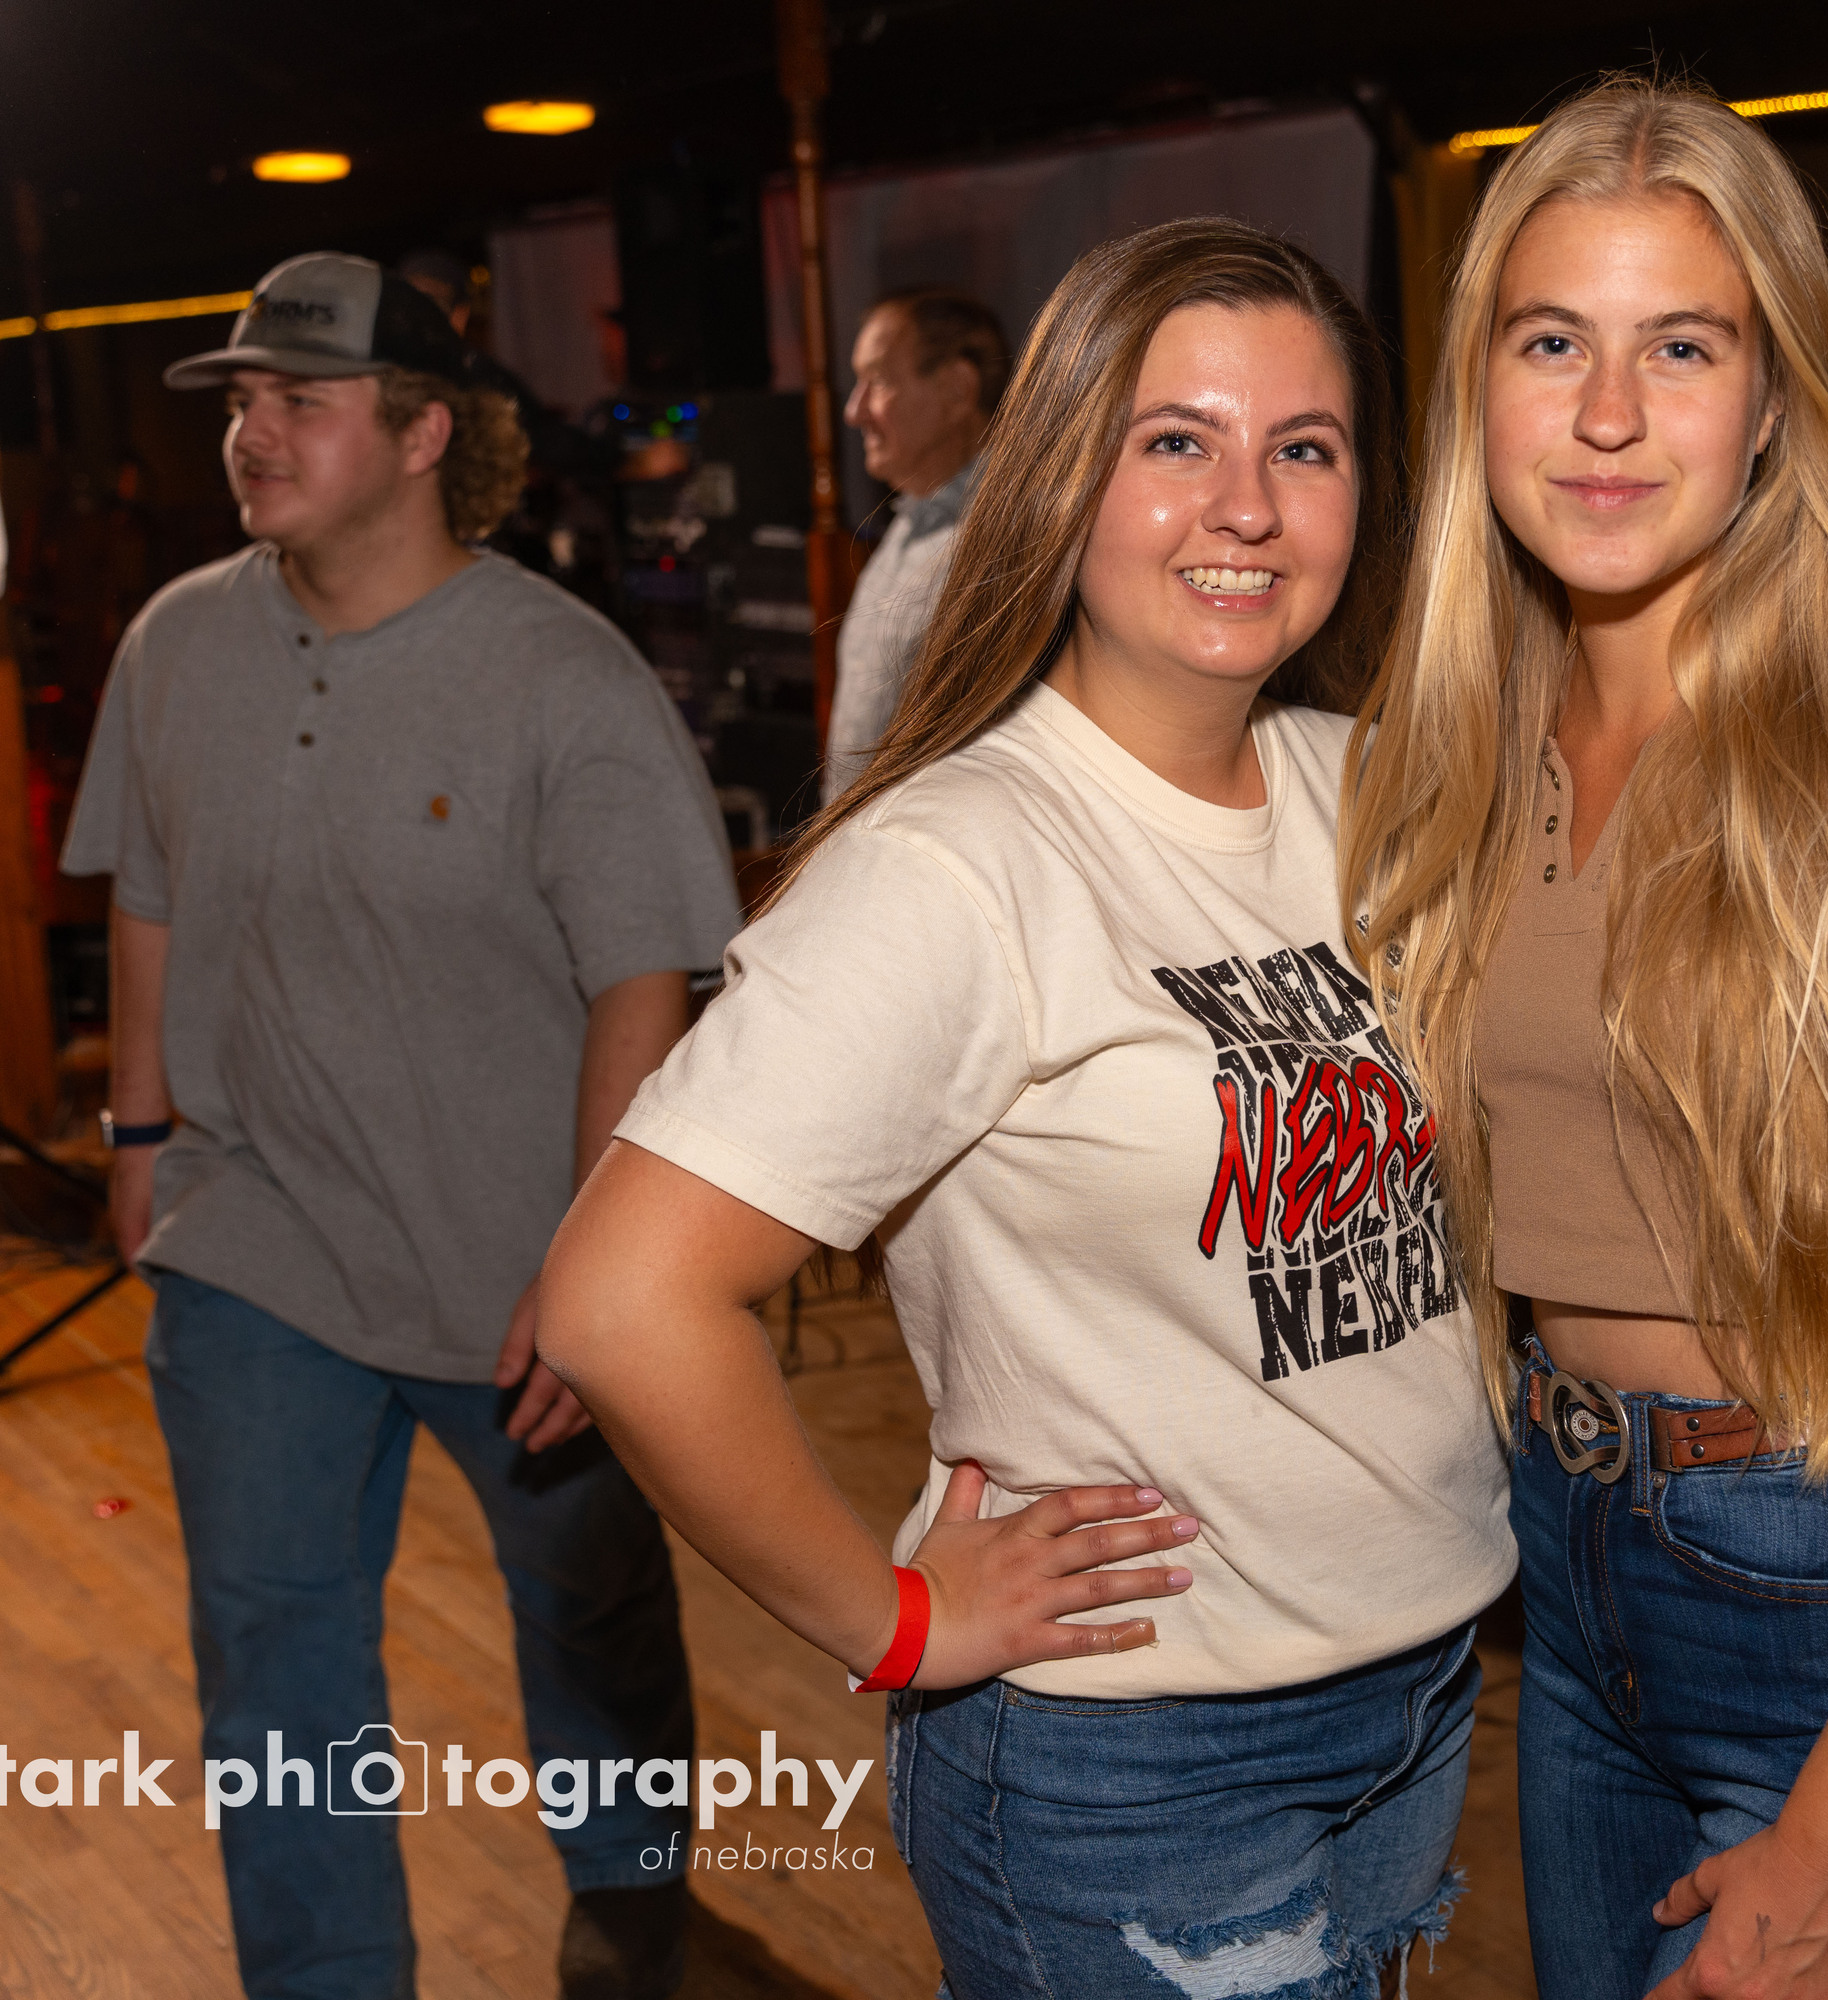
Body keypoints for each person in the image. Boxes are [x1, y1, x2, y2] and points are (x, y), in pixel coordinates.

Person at [535, 219, 1508, 1997]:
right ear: (1061, 472)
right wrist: (894, 1617)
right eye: (1176, 440)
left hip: (1416, 1691)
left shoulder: (1368, 788)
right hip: (1136, 1763)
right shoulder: (958, 863)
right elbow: (620, 1300)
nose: (1248, 505)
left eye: (1304, 448)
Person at [1342, 80, 1828, 2000]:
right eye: (1551, 342)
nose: (1607, 412)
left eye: (1681, 346)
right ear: (1479, 387)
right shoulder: (1455, 735)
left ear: (1774, 401)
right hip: (1557, 1560)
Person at [61, 253, 742, 2000]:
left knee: (589, 1608)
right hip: (253, 1235)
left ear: (429, 433)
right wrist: (138, 1135)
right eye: (241, 402)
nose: (252, 432)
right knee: (273, 1653)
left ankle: (631, 1880)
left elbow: (642, 984)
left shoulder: (560, 676)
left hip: (521, 1260)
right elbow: (146, 894)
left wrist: (597, 1272)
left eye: (301, 400)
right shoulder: (175, 640)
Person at [821, 286, 1010, 800]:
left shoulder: (1007, 544)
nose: (854, 411)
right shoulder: (909, 526)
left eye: (879, 381)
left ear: (957, 389)